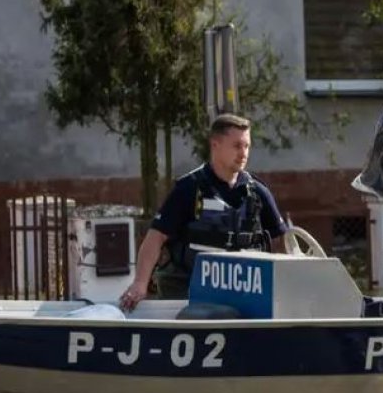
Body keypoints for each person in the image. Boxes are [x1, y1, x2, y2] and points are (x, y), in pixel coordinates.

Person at [120, 114, 288, 310]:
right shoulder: (189, 188)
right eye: (236, 146)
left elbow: (282, 243)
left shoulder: (258, 192)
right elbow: (155, 237)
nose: (243, 153)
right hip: (189, 294)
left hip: (245, 297)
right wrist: (140, 283)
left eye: (247, 146)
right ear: (215, 145)